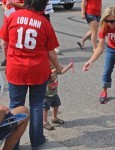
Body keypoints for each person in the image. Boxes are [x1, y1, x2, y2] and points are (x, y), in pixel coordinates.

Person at [0, 0, 63, 149]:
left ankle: (13, 144)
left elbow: (4, 43)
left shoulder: (13, 17)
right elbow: (51, 53)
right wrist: (59, 67)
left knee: (16, 105)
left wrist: (10, 60)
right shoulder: (44, 22)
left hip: (16, 69)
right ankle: (37, 141)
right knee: (36, 105)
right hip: (38, 70)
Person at [43, 61, 74, 130]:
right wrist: (50, 72)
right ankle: (44, 122)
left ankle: (54, 118)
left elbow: (62, 72)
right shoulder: (45, 73)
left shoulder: (56, 71)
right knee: (45, 108)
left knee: (56, 105)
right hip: (46, 95)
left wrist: (69, 67)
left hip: (54, 93)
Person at [1, 0, 24, 66]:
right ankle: (7, 59)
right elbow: (3, 3)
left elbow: (26, 5)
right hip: (8, 19)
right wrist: (6, 8)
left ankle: (18, 58)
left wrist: (13, 4)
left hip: (19, 20)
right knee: (4, 43)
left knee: (18, 41)